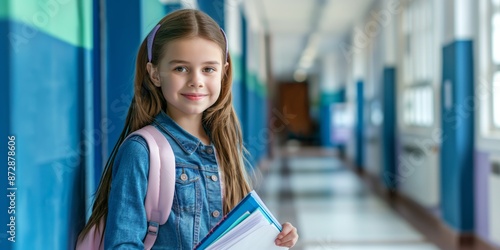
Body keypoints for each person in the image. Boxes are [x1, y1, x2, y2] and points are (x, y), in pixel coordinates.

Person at [78, 9, 298, 249]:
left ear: (224, 74)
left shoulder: (223, 145)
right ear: (154, 74)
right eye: (180, 68)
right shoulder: (141, 151)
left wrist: (273, 237)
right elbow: (122, 244)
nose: (196, 80)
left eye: (208, 69)